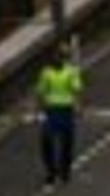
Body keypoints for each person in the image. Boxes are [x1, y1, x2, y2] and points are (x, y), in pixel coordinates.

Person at [35, 45, 86, 185]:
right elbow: (40, 91)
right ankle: (51, 171)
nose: (57, 59)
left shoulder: (71, 72)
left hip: (66, 109)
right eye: (55, 56)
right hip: (51, 110)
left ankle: (65, 170)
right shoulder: (46, 72)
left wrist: (79, 105)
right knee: (46, 141)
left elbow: (76, 89)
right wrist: (39, 110)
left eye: (60, 56)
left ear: (64, 59)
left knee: (67, 141)